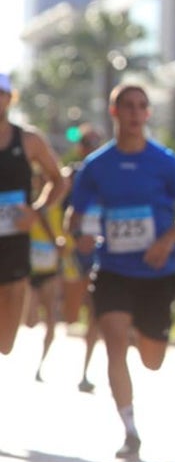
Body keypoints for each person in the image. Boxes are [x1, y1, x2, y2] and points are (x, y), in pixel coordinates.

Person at [69, 83, 175, 462]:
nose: (135, 113)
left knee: (152, 359)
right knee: (114, 344)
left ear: (148, 114)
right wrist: (82, 237)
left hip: (157, 272)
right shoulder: (97, 166)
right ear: (115, 113)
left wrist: (166, 240)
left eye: (142, 106)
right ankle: (130, 430)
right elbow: (78, 215)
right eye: (128, 106)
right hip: (113, 270)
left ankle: (144, 330)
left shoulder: (165, 162)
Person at [0, 72, 65, 357]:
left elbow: (59, 179)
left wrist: (37, 211)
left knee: (5, 344)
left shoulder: (28, 140)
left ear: (10, 98)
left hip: (15, 245)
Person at [60, 124, 105, 393]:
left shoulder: (109, 172)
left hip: (101, 251)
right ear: (80, 147)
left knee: (96, 312)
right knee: (70, 315)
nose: (92, 148)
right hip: (76, 251)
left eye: (96, 143)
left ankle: (85, 371)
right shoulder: (73, 175)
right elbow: (65, 215)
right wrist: (76, 237)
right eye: (87, 143)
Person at [24, 170, 64, 381]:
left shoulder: (58, 205)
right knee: (30, 320)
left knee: (51, 319)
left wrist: (62, 243)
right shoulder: (27, 203)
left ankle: (41, 365)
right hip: (28, 270)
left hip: (50, 268)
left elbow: (64, 231)